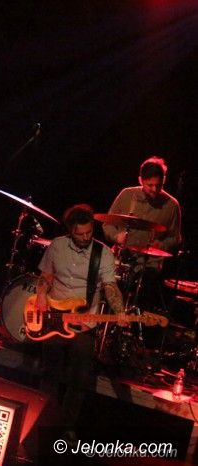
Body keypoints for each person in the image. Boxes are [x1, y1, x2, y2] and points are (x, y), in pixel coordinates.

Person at [35, 204, 126, 431]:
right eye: (80, 234)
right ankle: (41, 420)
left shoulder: (103, 253)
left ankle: (66, 427)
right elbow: (46, 276)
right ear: (70, 231)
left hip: (84, 322)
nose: (85, 237)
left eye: (89, 232)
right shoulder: (57, 246)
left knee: (80, 377)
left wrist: (119, 311)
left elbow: (110, 287)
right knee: (49, 372)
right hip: (55, 317)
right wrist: (41, 295)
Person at [102, 156, 182, 311]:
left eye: (159, 185)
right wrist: (116, 236)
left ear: (164, 180)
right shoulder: (127, 195)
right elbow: (107, 224)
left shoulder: (172, 205)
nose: (154, 189)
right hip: (122, 257)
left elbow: (176, 238)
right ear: (140, 180)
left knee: (143, 293)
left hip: (149, 264)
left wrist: (161, 244)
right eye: (150, 185)